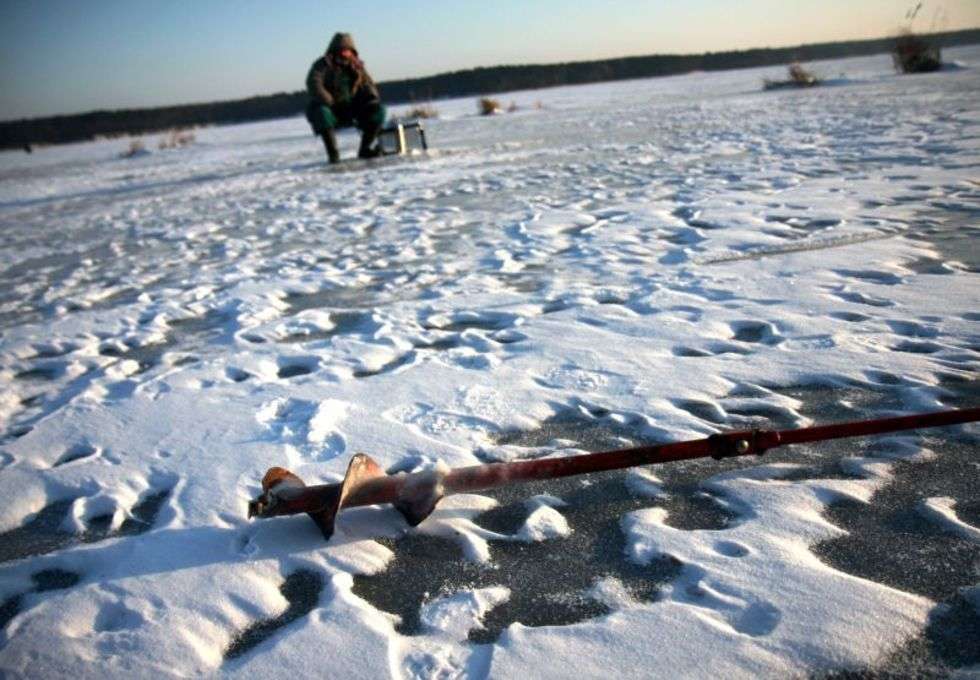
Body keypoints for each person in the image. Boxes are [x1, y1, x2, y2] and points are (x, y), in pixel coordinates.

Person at [305, 33, 386, 163]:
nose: (345, 53)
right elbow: (313, 82)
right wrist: (329, 101)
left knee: (378, 110)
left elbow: (368, 84)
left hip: (353, 109)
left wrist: (371, 98)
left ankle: (365, 149)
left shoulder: (357, 66)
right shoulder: (322, 65)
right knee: (321, 113)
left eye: (348, 50)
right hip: (331, 108)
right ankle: (333, 155)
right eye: (342, 49)